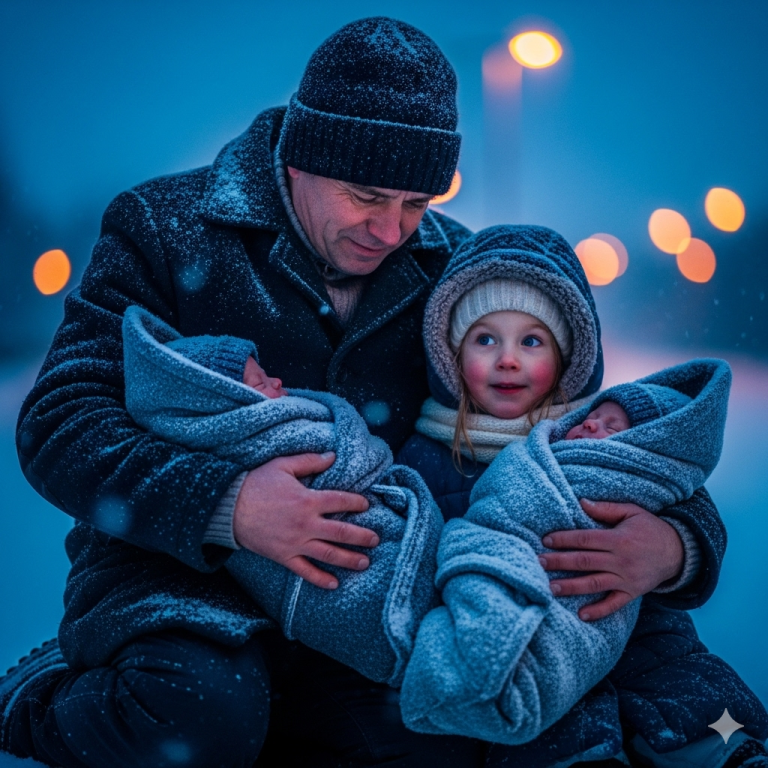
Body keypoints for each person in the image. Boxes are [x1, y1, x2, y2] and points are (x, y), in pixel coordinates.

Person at [0, 17, 726, 767]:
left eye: (417, 202)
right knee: (197, 722)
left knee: (454, 727)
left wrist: (676, 544)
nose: (392, 230)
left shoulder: (447, 265)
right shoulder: (164, 229)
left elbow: (574, 427)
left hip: (369, 592)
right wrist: (232, 507)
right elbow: (60, 422)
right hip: (179, 571)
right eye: (367, 196)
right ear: (301, 158)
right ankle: (36, 705)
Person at [396, 224, 768, 767]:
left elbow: (678, 489)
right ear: (451, 352)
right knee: (560, 721)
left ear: (566, 356)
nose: (507, 359)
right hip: (533, 635)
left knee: (681, 676)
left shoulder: (596, 433)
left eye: (531, 341)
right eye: (485, 339)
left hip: (635, 625)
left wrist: (676, 545)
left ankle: (723, 749)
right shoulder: (428, 452)